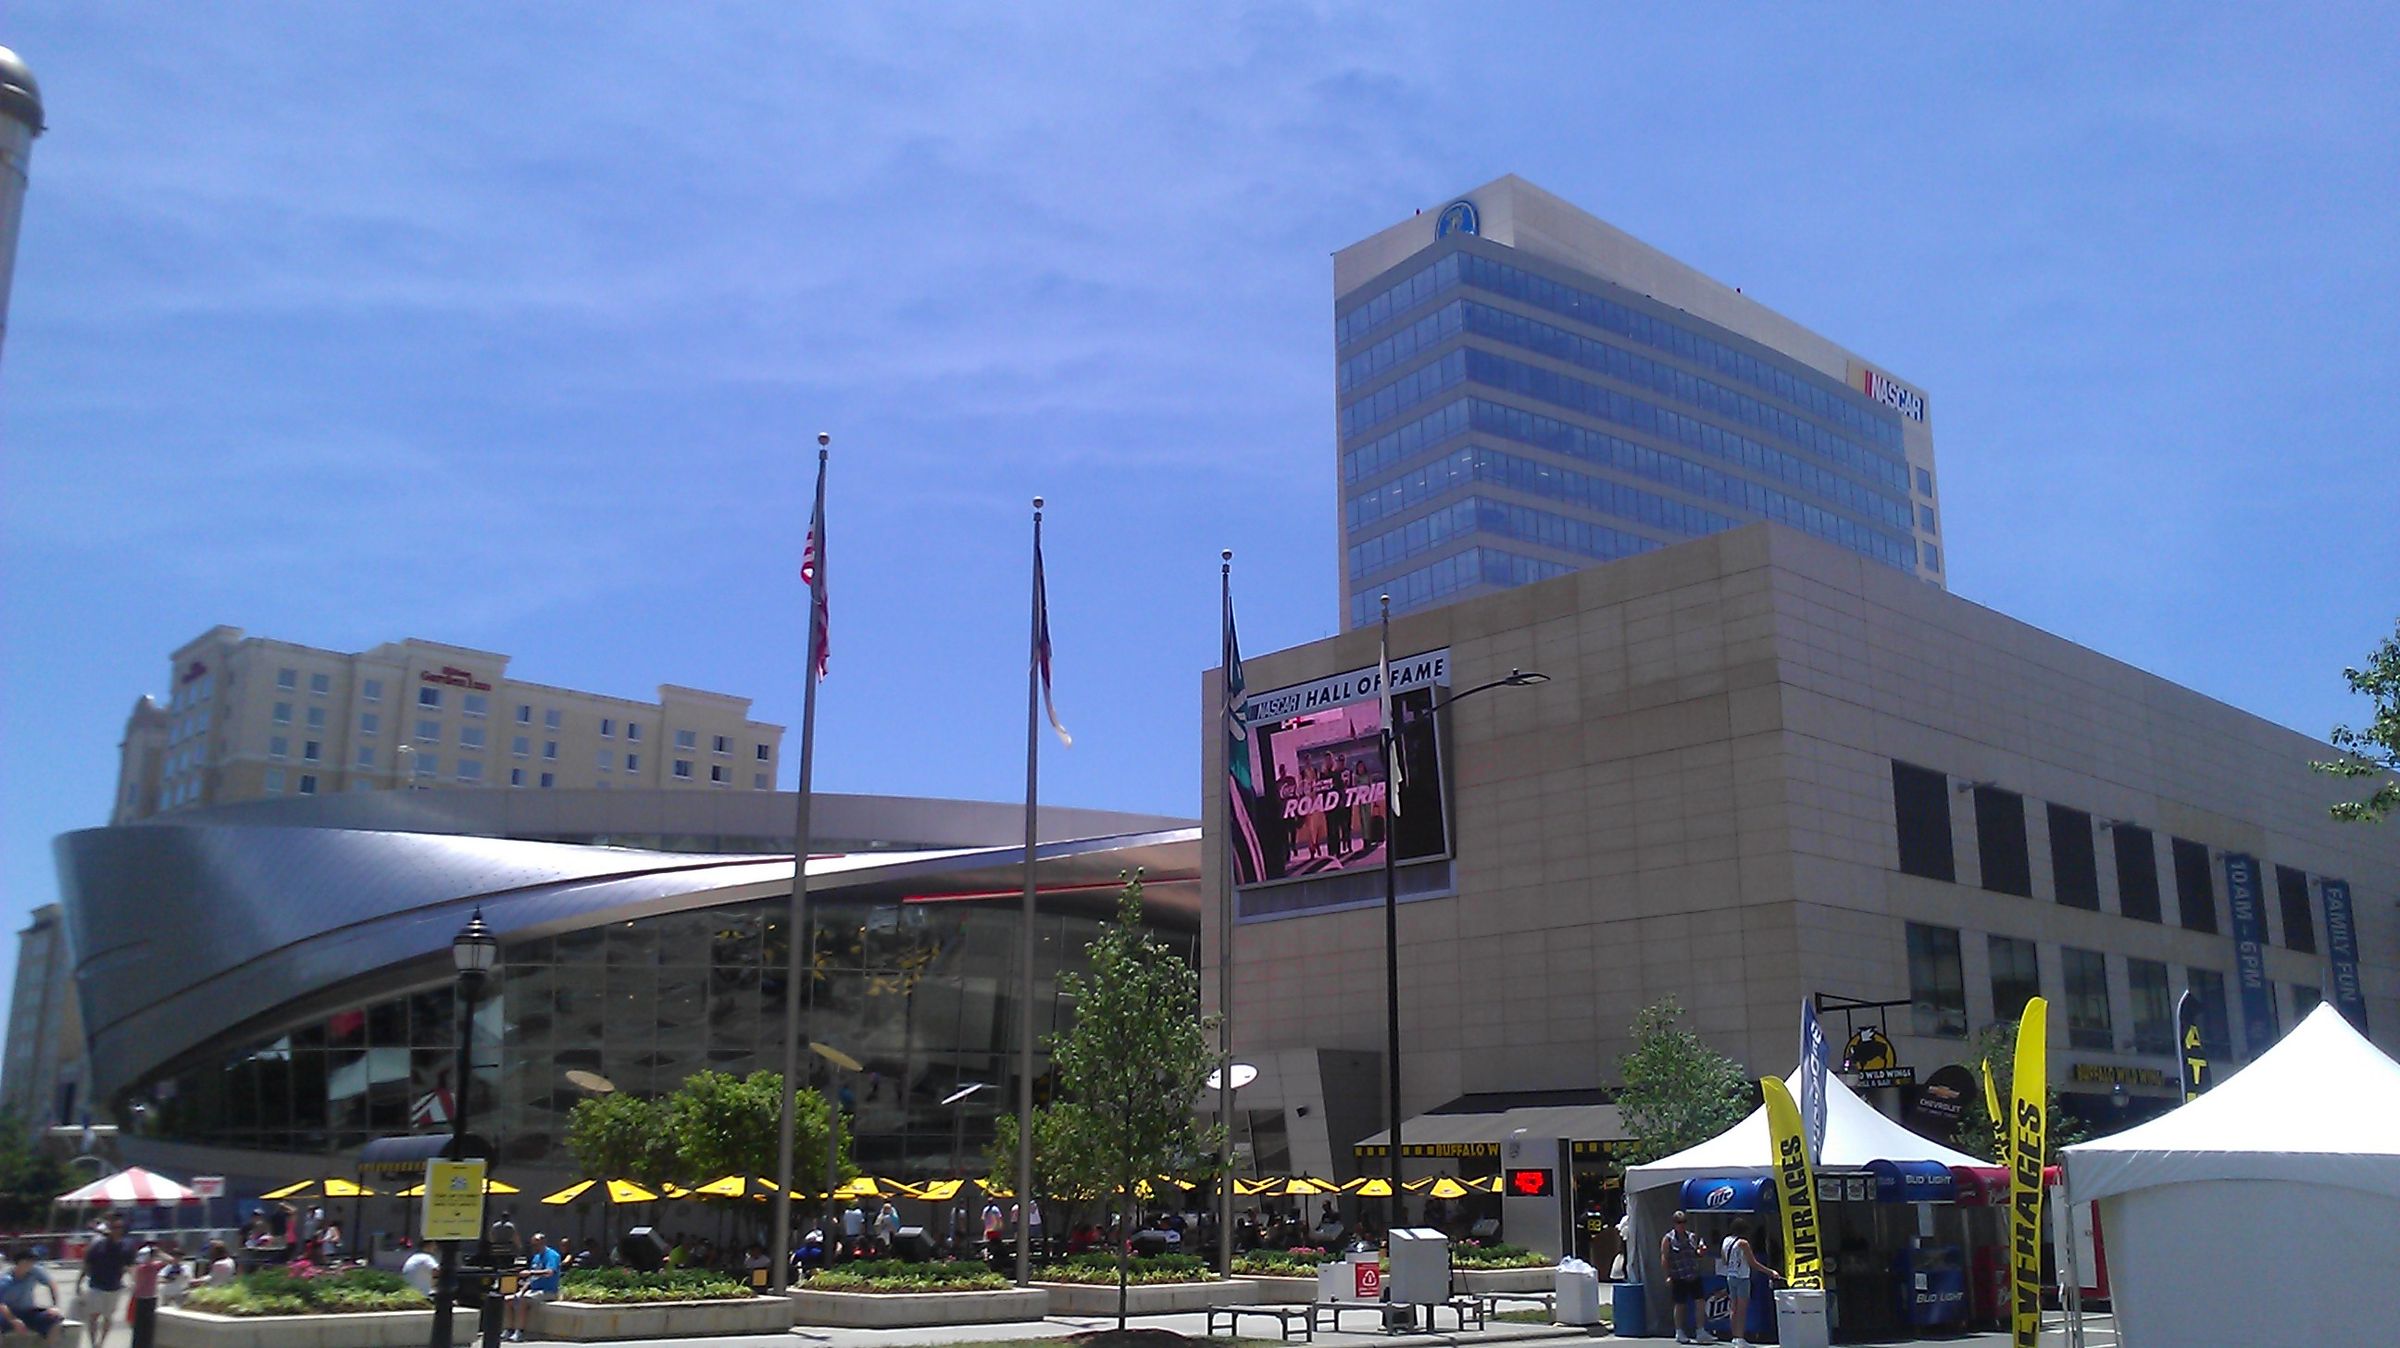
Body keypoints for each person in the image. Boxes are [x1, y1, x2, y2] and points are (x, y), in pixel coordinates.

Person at [1716, 1219, 1781, 1348]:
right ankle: (1740, 1338)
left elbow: (1724, 1260)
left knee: (1733, 1308)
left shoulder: (1726, 1241)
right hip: (1742, 1277)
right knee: (1742, 1309)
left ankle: (1735, 1337)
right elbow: (1753, 1263)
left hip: (1731, 1276)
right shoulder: (1743, 1243)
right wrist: (1770, 1272)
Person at [75, 1217, 134, 1348]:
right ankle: (93, 1343)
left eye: (120, 1228)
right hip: (96, 1285)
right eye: (115, 1227)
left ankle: (101, 1343)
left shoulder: (126, 1246)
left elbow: (129, 1265)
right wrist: (79, 1282)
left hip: (114, 1286)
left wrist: (133, 1280)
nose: (117, 1230)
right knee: (93, 1316)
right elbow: (87, 1264)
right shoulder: (98, 1245)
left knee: (108, 1317)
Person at [1660, 1210, 1712, 1345]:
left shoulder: (1691, 1237)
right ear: (1674, 1224)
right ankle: (1679, 1331)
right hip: (1678, 1275)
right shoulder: (1668, 1239)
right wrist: (1667, 1276)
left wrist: (1701, 1252)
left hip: (1693, 1274)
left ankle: (1700, 1330)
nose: (1681, 1225)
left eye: (1683, 1222)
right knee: (1680, 1304)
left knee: (1700, 1301)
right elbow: (1665, 1258)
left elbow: (1697, 1254)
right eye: (1679, 1223)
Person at [504, 1233, 561, 1342]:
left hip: (548, 1291)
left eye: (536, 1245)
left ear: (543, 1243)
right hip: (533, 1290)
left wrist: (530, 1272)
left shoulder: (552, 1255)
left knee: (522, 1301)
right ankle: (508, 1329)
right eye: (533, 1245)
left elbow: (549, 1272)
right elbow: (531, 1279)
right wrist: (521, 1291)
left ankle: (519, 1332)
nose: (534, 1247)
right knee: (509, 1300)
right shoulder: (536, 1257)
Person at [0, 1248, 62, 1342]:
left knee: (55, 1319)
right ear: (19, 1262)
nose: (30, 1265)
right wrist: (13, 1320)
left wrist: (55, 1306)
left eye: (32, 1262)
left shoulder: (35, 1271)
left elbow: (51, 1284)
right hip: (9, 1313)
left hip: (28, 1311)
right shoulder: (5, 1278)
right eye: (27, 1262)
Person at [127, 1246, 163, 1348]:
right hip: (147, 1298)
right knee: (147, 1326)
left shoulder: (139, 1268)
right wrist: (159, 1252)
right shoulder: (151, 1267)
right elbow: (169, 1260)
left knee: (140, 1326)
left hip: (142, 1297)